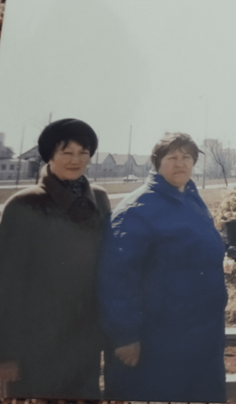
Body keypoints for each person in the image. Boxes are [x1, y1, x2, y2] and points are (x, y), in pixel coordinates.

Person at [97, 132, 227, 403]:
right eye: (172, 157)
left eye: (187, 157)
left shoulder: (190, 199)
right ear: (157, 163)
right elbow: (117, 278)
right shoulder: (136, 210)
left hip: (200, 334)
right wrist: (125, 336)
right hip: (159, 338)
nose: (180, 163)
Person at [0, 119, 109, 399]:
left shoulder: (99, 199)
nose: (76, 160)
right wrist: (6, 354)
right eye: (66, 152)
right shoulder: (24, 204)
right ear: (50, 155)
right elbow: (7, 284)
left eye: (83, 152)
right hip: (35, 347)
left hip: (84, 344)